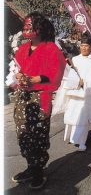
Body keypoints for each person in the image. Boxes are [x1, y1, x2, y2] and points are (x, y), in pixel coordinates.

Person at [12, 12, 66, 190]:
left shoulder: (51, 49)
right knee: (23, 134)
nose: (26, 28)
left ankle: (38, 171)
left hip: (39, 96)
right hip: (22, 97)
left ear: (40, 28)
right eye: (25, 25)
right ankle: (30, 167)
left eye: (30, 25)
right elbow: (16, 68)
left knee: (38, 136)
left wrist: (36, 79)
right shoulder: (22, 49)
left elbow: (56, 73)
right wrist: (18, 75)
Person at [61, 32, 91, 151]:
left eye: (86, 45)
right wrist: (73, 81)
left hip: (86, 94)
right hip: (74, 91)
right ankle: (72, 137)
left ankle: (81, 141)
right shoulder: (74, 60)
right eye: (82, 45)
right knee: (71, 115)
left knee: (81, 117)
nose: (84, 48)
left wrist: (84, 83)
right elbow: (69, 75)